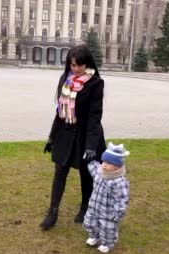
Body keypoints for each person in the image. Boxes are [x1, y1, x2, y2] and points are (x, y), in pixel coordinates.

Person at [41, 45, 106, 230]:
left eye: (79, 65)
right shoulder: (66, 79)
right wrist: (52, 137)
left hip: (86, 136)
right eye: (72, 65)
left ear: (87, 63)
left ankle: (85, 207)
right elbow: (59, 111)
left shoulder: (95, 83)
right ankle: (52, 212)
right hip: (65, 133)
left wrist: (91, 147)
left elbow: (95, 118)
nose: (75, 69)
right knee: (59, 172)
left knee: (86, 174)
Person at [83, 142, 130, 253]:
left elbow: (122, 199)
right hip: (94, 207)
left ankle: (107, 244)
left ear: (117, 166)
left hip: (108, 213)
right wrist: (89, 159)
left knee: (107, 229)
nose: (104, 164)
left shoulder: (119, 182)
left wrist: (118, 213)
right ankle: (94, 236)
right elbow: (94, 168)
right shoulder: (100, 172)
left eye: (108, 163)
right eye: (103, 161)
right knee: (89, 223)